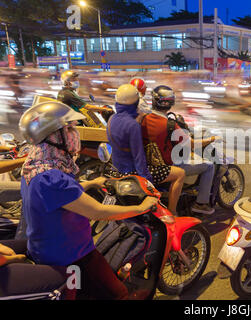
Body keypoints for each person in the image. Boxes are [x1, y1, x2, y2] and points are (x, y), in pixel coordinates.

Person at [9, 100, 158, 299]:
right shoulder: (52, 177)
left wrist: (91, 183)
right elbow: (98, 211)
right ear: (53, 136)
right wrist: (141, 207)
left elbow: (60, 198)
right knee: (118, 293)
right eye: (69, 128)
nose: (75, 133)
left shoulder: (36, 163)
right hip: (73, 255)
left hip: (45, 248)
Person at [107, 84, 185, 215]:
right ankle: (172, 212)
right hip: (131, 172)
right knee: (180, 173)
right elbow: (139, 158)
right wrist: (148, 182)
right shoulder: (133, 125)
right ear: (136, 101)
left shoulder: (112, 119)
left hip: (116, 168)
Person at [141, 85, 217, 215]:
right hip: (168, 166)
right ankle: (201, 204)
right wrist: (211, 139)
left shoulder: (143, 119)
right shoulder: (170, 125)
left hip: (148, 164)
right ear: (170, 103)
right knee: (209, 166)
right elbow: (191, 144)